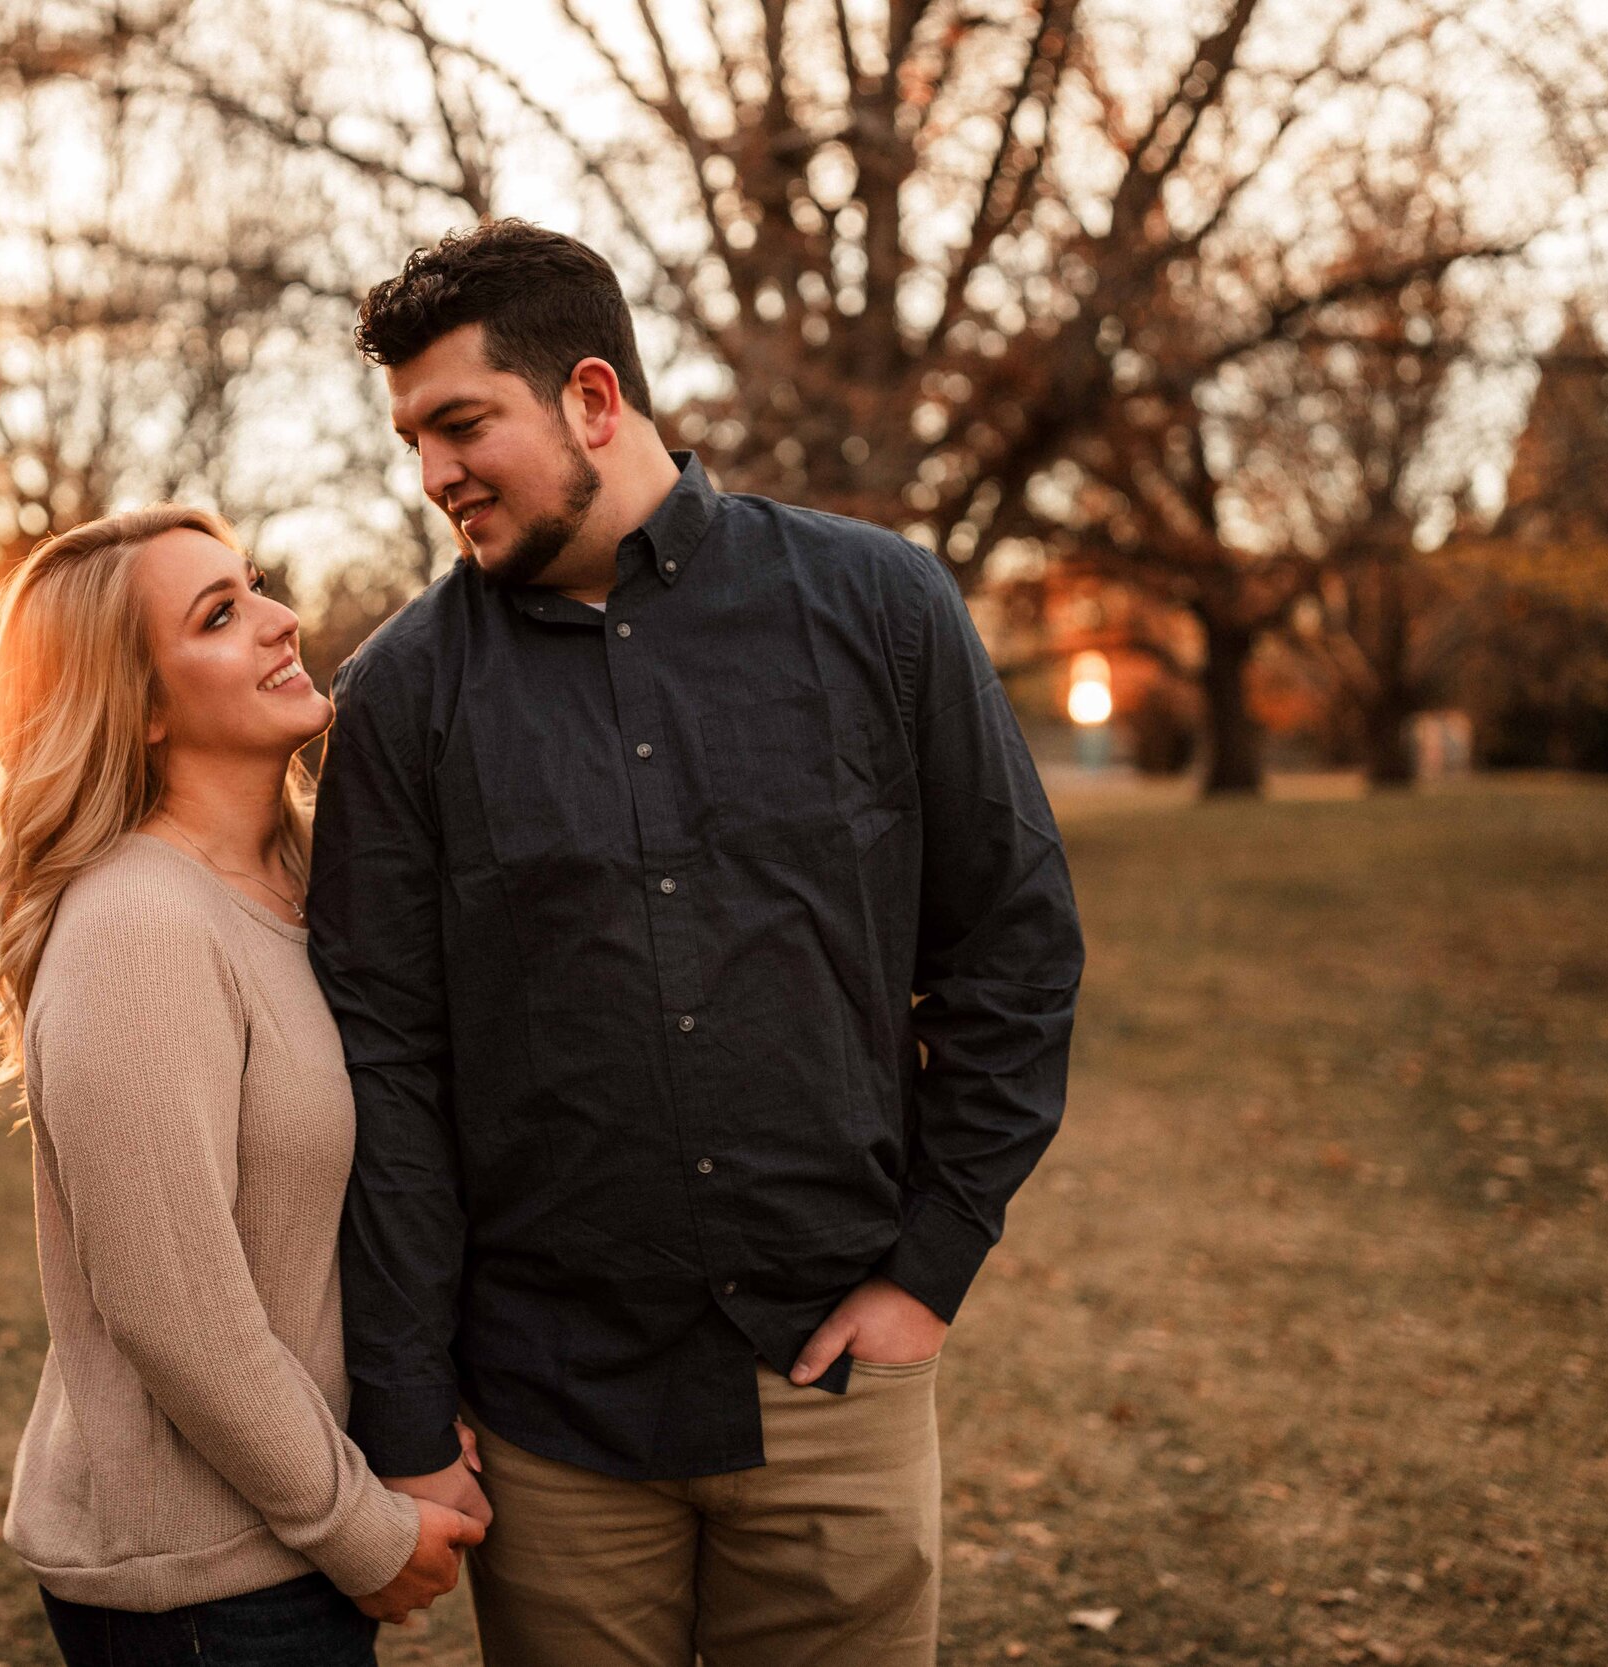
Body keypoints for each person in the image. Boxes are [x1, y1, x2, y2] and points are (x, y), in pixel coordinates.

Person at [308, 220, 1086, 1666]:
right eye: (413, 439)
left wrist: (930, 1264)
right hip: (552, 1411)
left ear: (593, 397)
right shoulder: (400, 697)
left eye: (462, 424)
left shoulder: (880, 606)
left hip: (833, 1379)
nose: (433, 475)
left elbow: (1014, 948)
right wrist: (407, 1406)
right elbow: (386, 1063)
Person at [0, 505, 485, 1667]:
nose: (280, 620)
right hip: (200, 1578)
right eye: (220, 615)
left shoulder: (305, 881)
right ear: (137, 704)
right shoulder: (140, 922)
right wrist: (357, 1526)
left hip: (283, 1534)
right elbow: (170, 1301)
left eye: (257, 586)